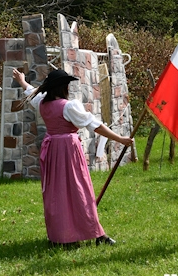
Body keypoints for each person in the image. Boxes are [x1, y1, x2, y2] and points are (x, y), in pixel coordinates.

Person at [12, 68, 131, 247]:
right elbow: (94, 125)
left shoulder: (42, 102)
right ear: (62, 88)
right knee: (80, 190)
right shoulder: (68, 106)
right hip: (67, 151)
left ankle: (66, 236)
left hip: (52, 150)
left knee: (57, 193)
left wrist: (22, 81)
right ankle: (93, 235)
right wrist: (120, 138)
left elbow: (31, 92)